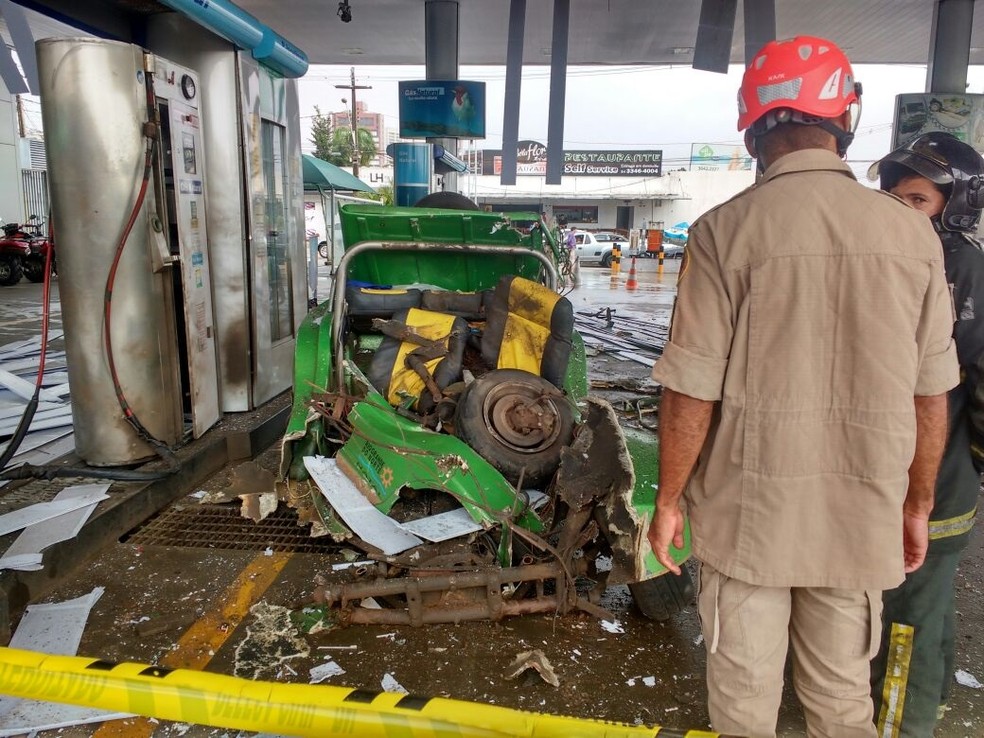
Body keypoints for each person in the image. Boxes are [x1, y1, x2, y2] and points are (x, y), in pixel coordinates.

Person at [646, 35, 959, 737]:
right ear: (844, 119)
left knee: (744, 700)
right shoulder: (913, 236)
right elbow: (931, 391)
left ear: (754, 127)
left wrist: (668, 500)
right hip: (862, 509)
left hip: (748, 515)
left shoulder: (724, 231)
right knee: (843, 698)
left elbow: (691, 389)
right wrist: (916, 503)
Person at [868, 132, 984, 737]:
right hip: (922, 474)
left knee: (907, 617)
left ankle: (899, 725)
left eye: (917, 200)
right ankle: (929, 703)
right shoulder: (910, 256)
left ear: (956, 204)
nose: (898, 208)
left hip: (932, 479)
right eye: (893, 194)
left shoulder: (960, 266)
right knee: (930, 607)